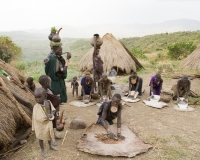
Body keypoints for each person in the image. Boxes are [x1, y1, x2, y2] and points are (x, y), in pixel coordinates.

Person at [32, 88, 57, 158]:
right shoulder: (36, 107)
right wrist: (45, 117)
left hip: (48, 123)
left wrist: (51, 115)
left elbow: (53, 110)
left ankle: (50, 146)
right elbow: (36, 117)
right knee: (41, 137)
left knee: (49, 134)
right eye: (36, 97)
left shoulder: (48, 102)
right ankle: (42, 150)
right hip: (40, 125)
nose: (37, 99)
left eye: (39, 97)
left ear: (45, 96)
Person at [38, 75, 61, 141]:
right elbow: (46, 103)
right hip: (48, 111)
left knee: (53, 123)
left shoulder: (48, 90)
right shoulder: (43, 92)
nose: (50, 84)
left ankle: (53, 134)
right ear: (46, 83)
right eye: (50, 83)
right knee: (49, 124)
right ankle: (51, 138)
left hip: (52, 110)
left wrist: (55, 97)